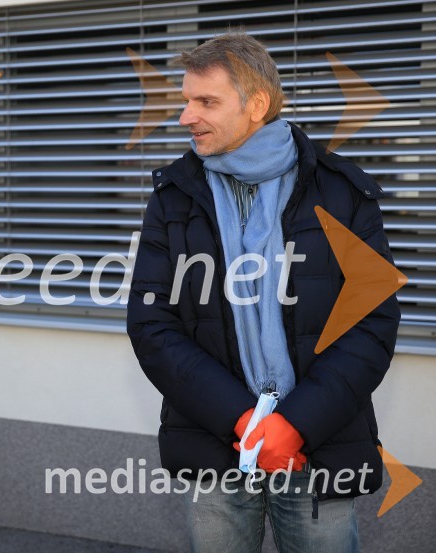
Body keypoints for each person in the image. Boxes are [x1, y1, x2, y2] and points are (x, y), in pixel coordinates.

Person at [127, 33, 400, 552]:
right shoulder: (174, 198)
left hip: (316, 447)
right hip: (217, 440)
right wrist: (243, 420)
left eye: (205, 102)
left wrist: (294, 426)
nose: (186, 117)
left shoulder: (341, 191)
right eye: (186, 101)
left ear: (257, 104)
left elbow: (372, 321)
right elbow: (151, 324)